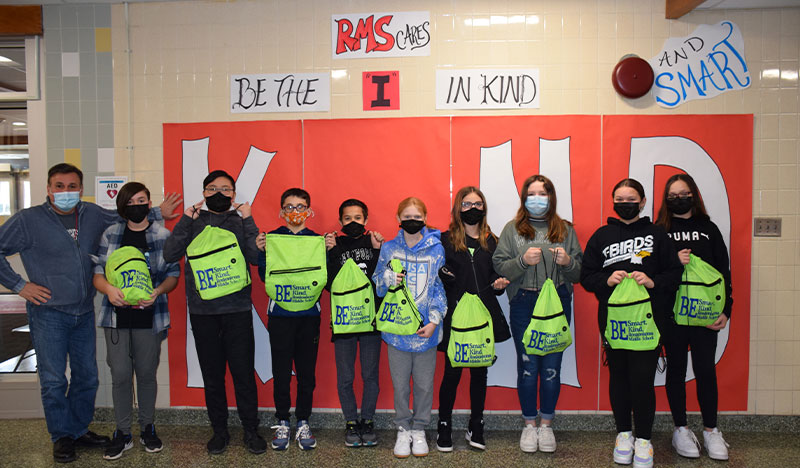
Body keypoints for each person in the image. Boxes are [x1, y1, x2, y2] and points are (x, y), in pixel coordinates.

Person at [0, 163, 179, 463]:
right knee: (55, 379)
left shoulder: (92, 214)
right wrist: (20, 286)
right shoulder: (28, 220)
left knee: (87, 377)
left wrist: (157, 210)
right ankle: (62, 436)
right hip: (49, 314)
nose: (66, 192)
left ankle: (79, 429)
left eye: (72, 186)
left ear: (81, 189)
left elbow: (125, 214)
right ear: (48, 188)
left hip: (83, 312)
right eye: (59, 186)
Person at [580, 178, 682, 468]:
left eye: (631, 199)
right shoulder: (602, 236)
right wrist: (605, 279)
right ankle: (624, 434)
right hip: (614, 322)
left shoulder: (658, 235)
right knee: (620, 379)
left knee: (643, 381)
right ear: (613, 202)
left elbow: (674, 274)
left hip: (649, 322)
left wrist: (652, 281)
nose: (625, 204)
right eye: (620, 199)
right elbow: (587, 276)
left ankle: (644, 440)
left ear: (643, 202)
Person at [163, 169, 265, 456]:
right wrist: (185, 218)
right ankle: (219, 431)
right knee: (212, 375)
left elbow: (256, 259)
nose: (219, 194)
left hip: (237, 310)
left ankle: (250, 430)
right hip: (203, 312)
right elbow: (170, 253)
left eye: (226, 189)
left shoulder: (238, 220)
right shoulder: (193, 221)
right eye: (212, 189)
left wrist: (249, 219)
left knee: (243, 374)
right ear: (203, 193)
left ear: (234, 194)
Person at [492, 175, 583, 454]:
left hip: (556, 302)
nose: (537, 198)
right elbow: (499, 265)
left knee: (552, 368)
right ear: (524, 198)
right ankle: (529, 425)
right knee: (529, 368)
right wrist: (521, 261)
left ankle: (547, 424)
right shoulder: (512, 229)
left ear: (551, 197)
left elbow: (580, 273)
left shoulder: (566, 229)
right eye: (532, 193)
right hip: (523, 303)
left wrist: (568, 263)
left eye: (543, 193)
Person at [92, 182, 180, 460]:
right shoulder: (111, 234)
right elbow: (98, 273)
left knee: (146, 374)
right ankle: (122, 432)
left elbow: (173, 274)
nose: (137, 206)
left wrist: (157, 291)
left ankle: (148, 428)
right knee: (119, 375)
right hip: (116, 317)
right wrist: (108, 289)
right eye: (130, 202)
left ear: (149, 202)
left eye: (142, 200)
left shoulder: (163, 234)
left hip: (150, 317)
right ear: (122, 206)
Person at [655, 174, 732, 461]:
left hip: (705, 316)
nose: (679, 198)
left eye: (684, 193)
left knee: (705, 371)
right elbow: (652, 271)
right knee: (675, 370)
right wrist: (674, 261)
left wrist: (727, 309)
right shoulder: (659, 230)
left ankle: (711, 430)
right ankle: (681, 429)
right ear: (666, 199)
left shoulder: (708, 228)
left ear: (694, 195)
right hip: (672, 315)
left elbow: (723, 272)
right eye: (673, 194)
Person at [436, 186, 511, 452]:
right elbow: (435, 274)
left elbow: (494, 275)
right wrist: (442, 275)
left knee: (480, 372)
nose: (473, 209)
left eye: (478, 204)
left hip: (483, 316)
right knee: (451, 373)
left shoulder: (492, 241)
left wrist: (499, 283)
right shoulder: (444, 240)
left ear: (484, 208)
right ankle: (443, 424)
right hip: (455, 316)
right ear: (458, 208)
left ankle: (475, 424)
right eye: (467, 204)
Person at [372, 197, 446, 459]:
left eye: (417, 216)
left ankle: (420, 429)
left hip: (426, 332)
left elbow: (438, 287)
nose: (412, 220)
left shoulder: (437, 249)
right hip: (396, 332)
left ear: (425, 218)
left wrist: (434, 320)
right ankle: (403, 428)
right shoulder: (389, 248)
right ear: (398, 219)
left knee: (425, 386)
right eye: (407, 216)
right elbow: (378, 283)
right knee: (401, 385)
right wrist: (387, 279)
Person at [256, 187, 323, 451]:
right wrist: (261, 251)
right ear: (281, 212)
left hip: (309, 316)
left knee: (307, 372)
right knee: (281, 371)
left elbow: (324, 278)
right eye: (289, 206)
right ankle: (283, 419)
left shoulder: (317, 240)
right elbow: (264, 276)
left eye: (300, 206)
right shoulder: (271, 239)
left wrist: (328, 249)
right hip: (280, 315)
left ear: (309, 210)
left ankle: (303, 420)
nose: (295, 211)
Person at [323, 199, 384, 448]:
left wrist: (379, 249)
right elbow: (327, 282)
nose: (353, 223)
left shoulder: (373, 242)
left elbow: (383, 280)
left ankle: (367, 421)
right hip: (344, 321)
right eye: (347, 219)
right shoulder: (334, 244)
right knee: (345, 377)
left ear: (366, 221)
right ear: (340, 222)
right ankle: (350, 422)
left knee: (370, 375)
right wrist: (328, 252)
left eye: (357, 218)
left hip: (370, 320)